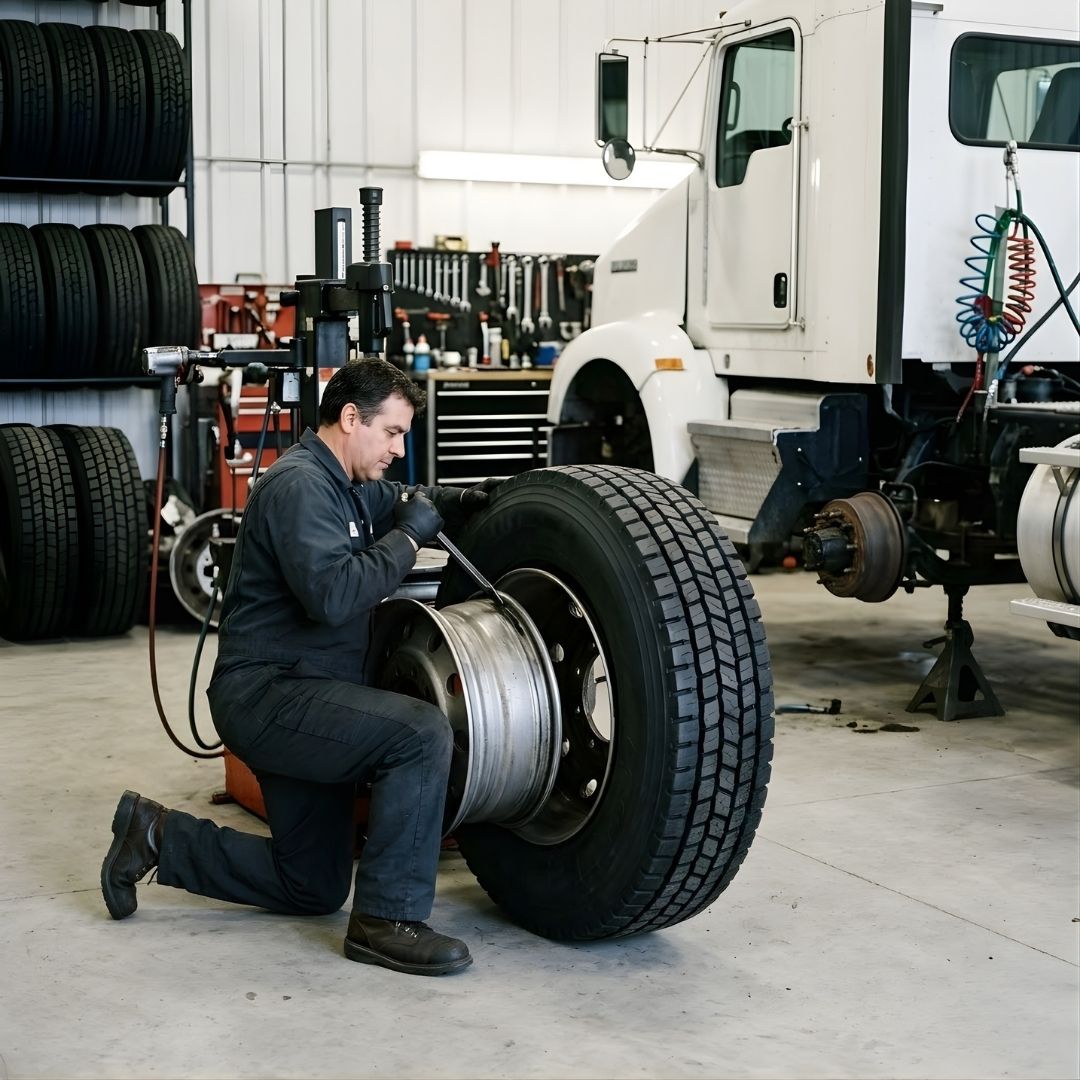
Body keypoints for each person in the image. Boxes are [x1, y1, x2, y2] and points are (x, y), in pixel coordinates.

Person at [101, 358, 501, 977]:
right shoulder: (300, 486)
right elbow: (335, 595)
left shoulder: (346, 483)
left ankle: (154, 836)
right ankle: (386, 921)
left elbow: (402, 499)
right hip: (268, 695)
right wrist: (406, 538)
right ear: (351, 418)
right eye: (393, 433)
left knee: (312, 883)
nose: (399, 448)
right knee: (421, 734)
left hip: (308, 695)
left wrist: (463, 501)